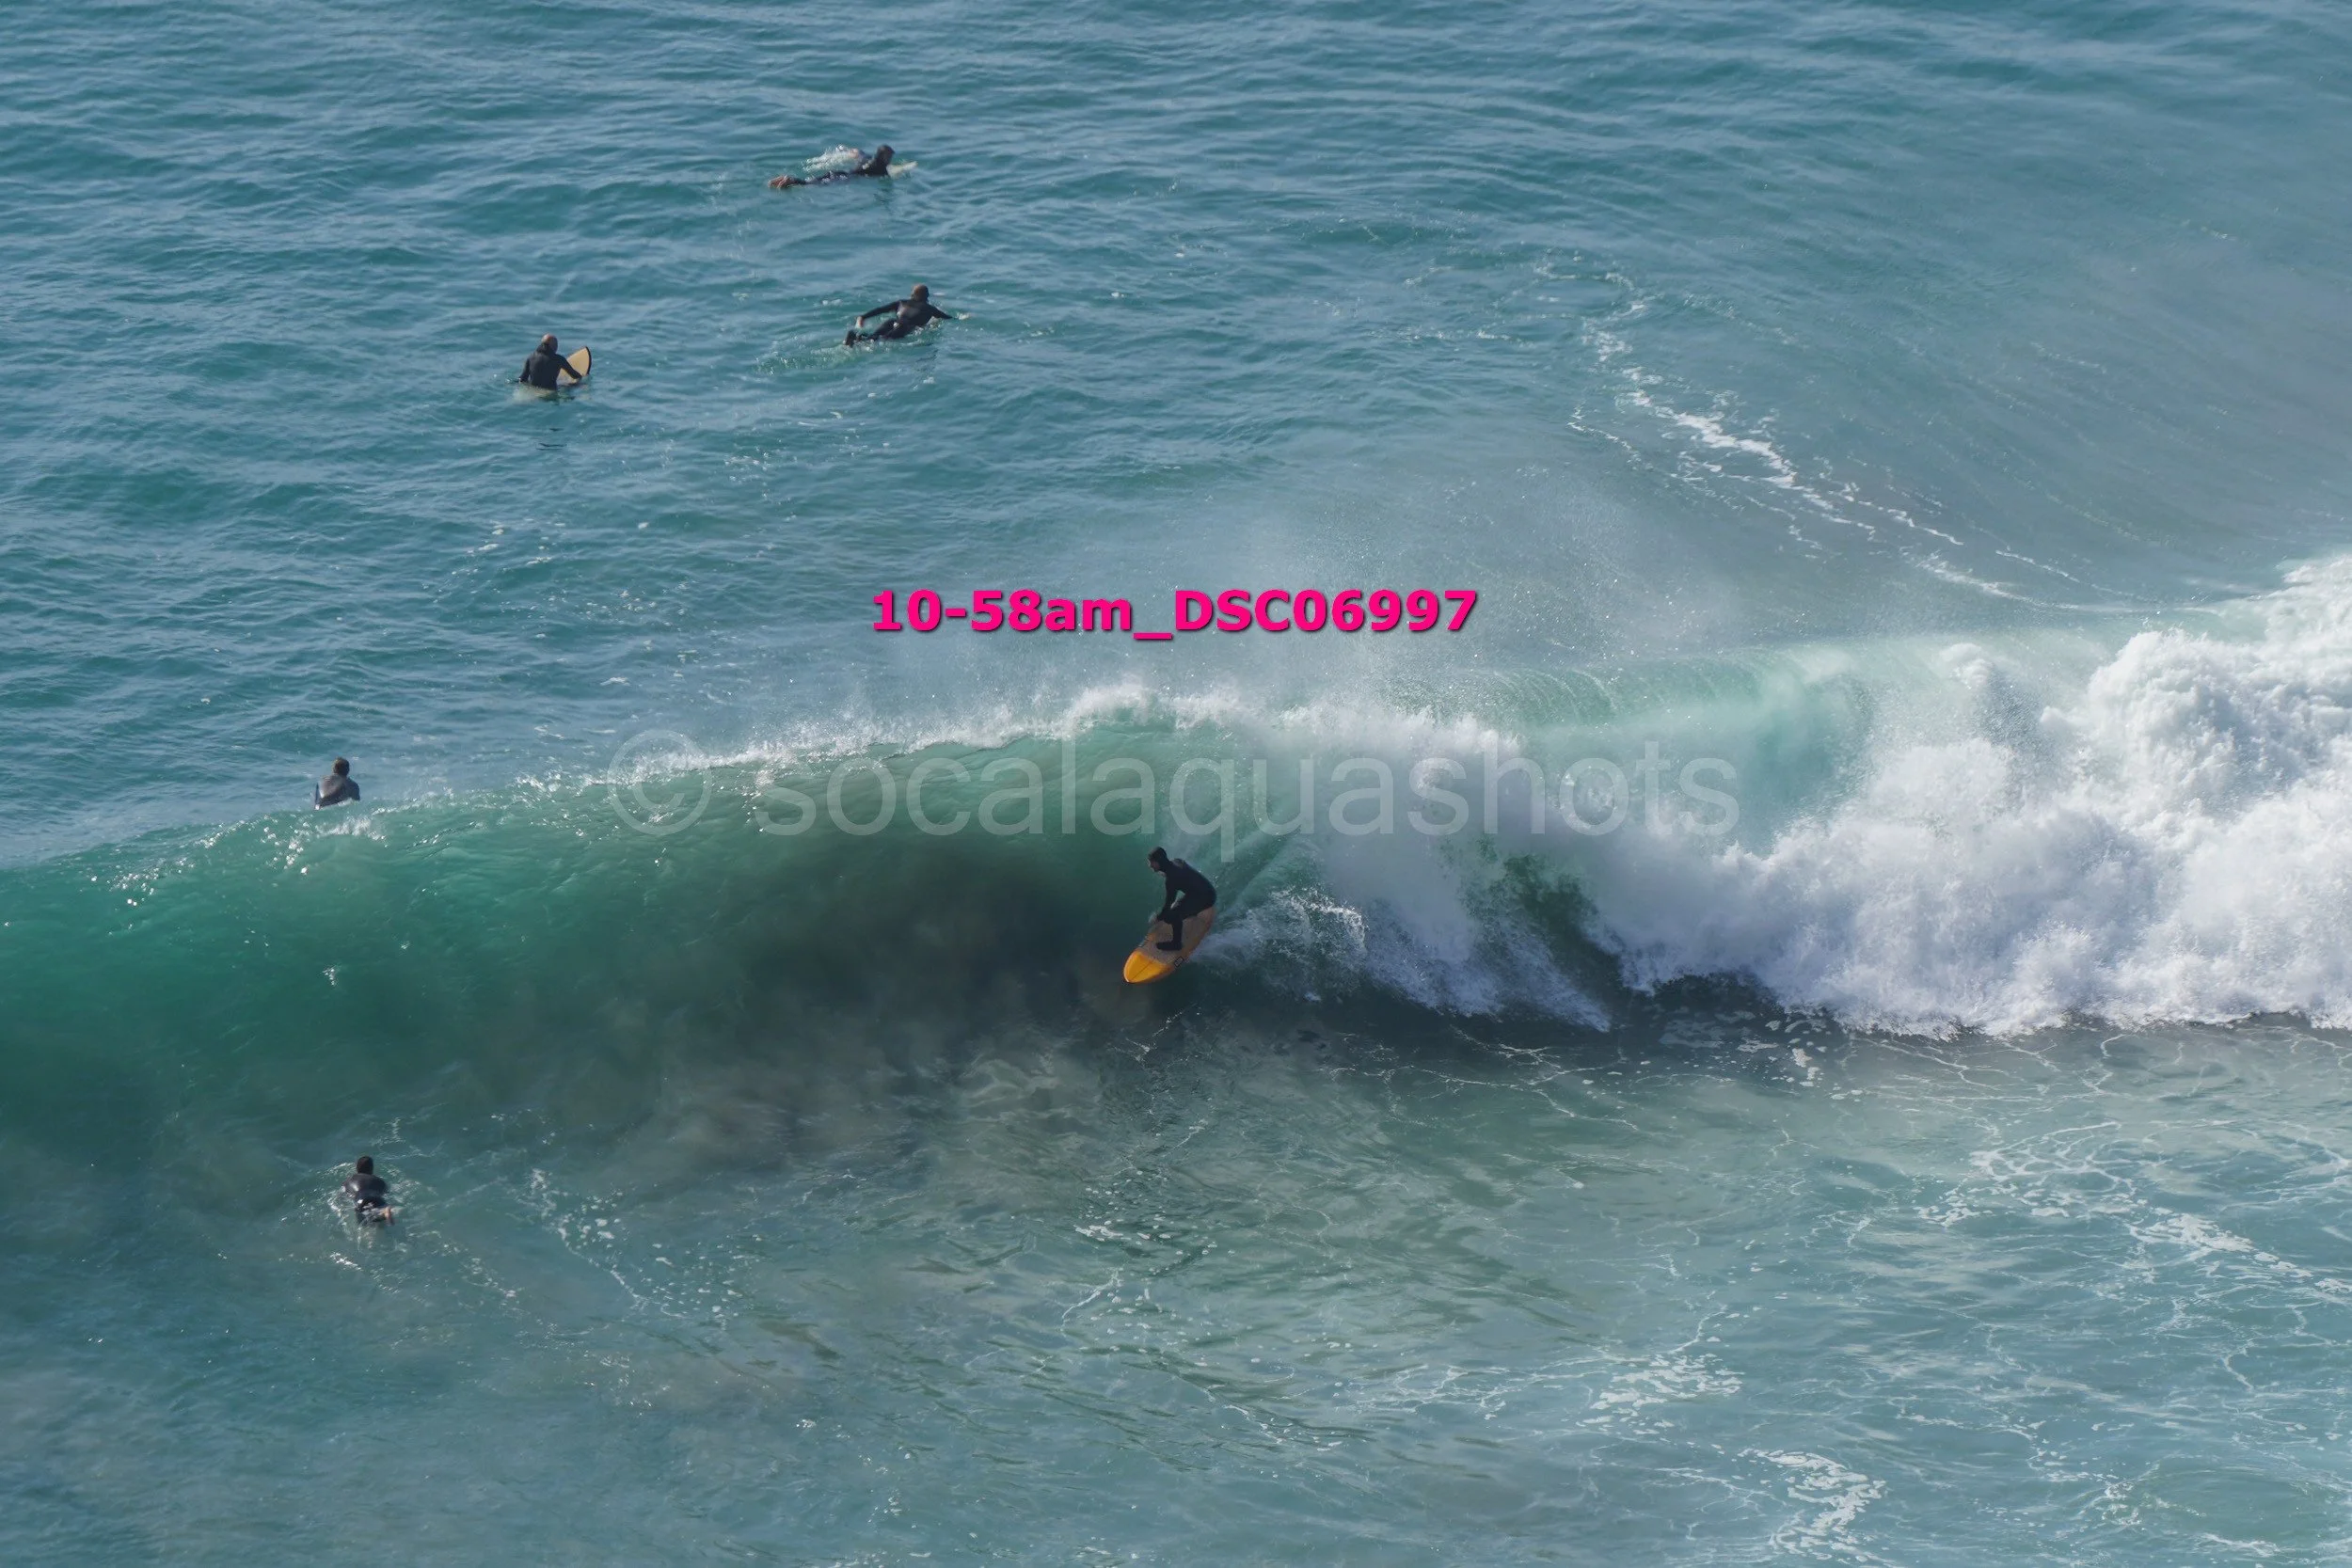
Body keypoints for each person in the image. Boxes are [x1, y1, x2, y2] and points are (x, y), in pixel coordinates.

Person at [1145, 847, 1216, 953]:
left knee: (1170, 916)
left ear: (1160, 862)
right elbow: (1184, 877)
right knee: (1176, 907)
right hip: (1206, 891)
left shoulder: (1171, 879)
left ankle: (1176, 944)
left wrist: (1158, 917)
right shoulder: (1176, 862)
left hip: (1206, 899)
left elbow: (1168, 904)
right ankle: (1193, 912)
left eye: (1152, 862)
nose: (1150, 865)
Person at [844, 283, 953, 345]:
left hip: (891, 322)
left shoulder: (901, 302)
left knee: (874, 336)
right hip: (905, 327)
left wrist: (863, 317)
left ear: (912, 295)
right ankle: (857, 340)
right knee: (880, 340)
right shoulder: (930, 308)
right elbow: (947, 318)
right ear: (927, 296)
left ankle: (855, 337)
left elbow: (880, 310)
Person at [771, 145, 894, 189]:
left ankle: (788, 180)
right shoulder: (880, 169)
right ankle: (790, 181)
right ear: (884, 157)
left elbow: (859, 154)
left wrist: (855, 152)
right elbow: (887, 176)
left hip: (842, 173)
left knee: (815, 181)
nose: (890, 159)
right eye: (889, 157)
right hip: (845, 178)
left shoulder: (869, 160)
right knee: (812, 184)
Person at [518, 333, 583, 391]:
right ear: (553, 345)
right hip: (551, 391)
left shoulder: (531, 357)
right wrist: (582, 378)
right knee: (573, 386)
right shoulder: (558, 359)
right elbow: (575, 376)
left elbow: (523, 379)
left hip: (534, 389)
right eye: (556, 344)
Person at [343, 1156, 394, 1224]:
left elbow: (344, 1194)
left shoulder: (350, 1180)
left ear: (357, 1168)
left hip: (361, 1200)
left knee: (364, 1223)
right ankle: (384, 1213)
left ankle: (382, 1214)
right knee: (377, 1214)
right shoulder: (380, 1181)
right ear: (372, 1169)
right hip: (378, 1199)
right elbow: (386, 1193)